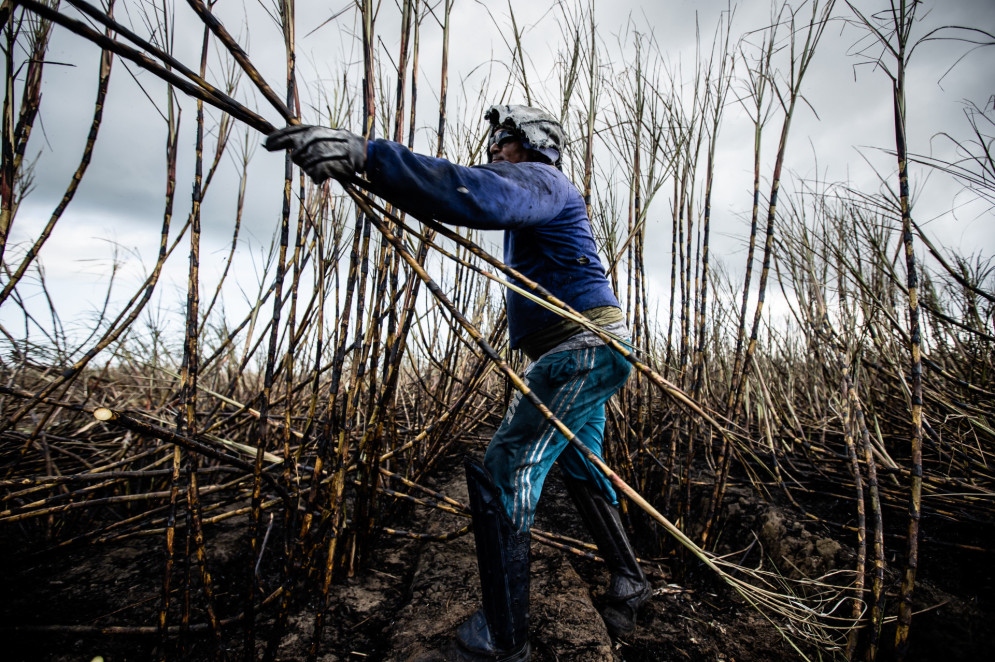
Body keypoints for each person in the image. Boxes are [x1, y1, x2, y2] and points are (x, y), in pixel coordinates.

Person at [265, 105, 651, 662]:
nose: (495, 148)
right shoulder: (541, 190)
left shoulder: (543, 180)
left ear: (537, 146)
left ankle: (503, 639)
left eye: (506, 140)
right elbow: (461, 195)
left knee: (510, 464)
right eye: (494, 141)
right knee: (581, 461)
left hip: (582, 351)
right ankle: (630, 583)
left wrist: (368, 155)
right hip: (584, 349)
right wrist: (379, 176)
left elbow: (470, 191)